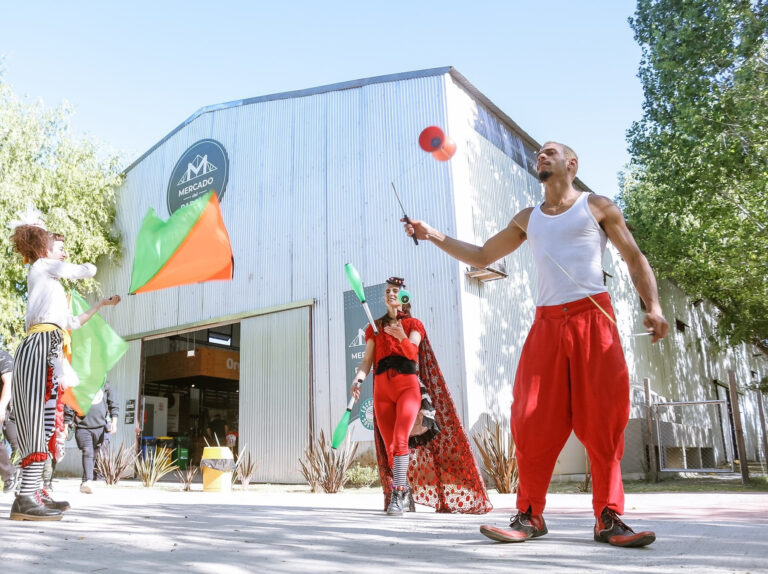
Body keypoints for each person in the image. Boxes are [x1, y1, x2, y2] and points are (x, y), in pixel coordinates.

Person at [404, 141, 669, 547]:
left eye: (550, 152)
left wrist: (653, 306)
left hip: (593, 318)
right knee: (530, 418)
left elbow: (634, 258)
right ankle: (529, 515)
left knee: (603, 420)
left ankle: (608, 517)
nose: (540, 157)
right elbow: (481, 254)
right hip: (546, 323)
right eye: (538, 154)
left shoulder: (597, 206)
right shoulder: (529, 218)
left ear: (571, 163)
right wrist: (431, 233)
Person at [9, 217, 120, 521]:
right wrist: (88, 268)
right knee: (36, 424)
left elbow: (70, 323)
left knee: (46, 424)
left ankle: (35, 493)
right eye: (59, 247)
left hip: (51, 347)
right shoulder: (43, 266)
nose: (64, 253)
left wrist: (100, 305)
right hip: (40, 346)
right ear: (41, 245)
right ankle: (24, 497)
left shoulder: (51, 284)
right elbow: (84, 270)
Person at [352, 277, 491, 516]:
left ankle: (397, 494)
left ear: (405, 298)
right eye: (387, 291)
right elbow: (366, 361)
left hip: (407, 387)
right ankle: (404, 492)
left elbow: (412, 353)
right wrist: (358, 379)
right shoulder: (374, 328)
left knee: (400, 439)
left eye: (395, 291)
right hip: (381, 391)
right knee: (390, 446)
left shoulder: (414, 323)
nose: (391, 294)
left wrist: (401, 337)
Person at [64, 381, 119, 493]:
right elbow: (69, 405)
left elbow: (113, 403)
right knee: (88, 452)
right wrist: (65, 425)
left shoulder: (104, 384)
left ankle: (84, 482)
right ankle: (88, 481)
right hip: (83, 427)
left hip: (100, 427)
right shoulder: (77, 384)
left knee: (93, 455)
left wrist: (114, 422)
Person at [0, 350, 19, 494]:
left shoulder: (2, 356)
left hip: (7, 407)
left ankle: (11, 473)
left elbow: (9, 381)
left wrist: (1, 407)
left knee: (19, 446)